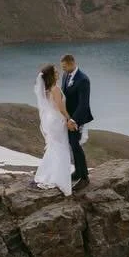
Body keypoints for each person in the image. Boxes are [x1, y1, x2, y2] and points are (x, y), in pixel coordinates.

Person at [33, 64, 74, 196]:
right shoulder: (55, 89)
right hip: (57, 121)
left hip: (51, 120)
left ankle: (48, 175)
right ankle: (59, 179)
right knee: (61, 148)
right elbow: (60, 108)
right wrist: (69, 119)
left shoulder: (46, 89)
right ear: (51, 75)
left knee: (54, 147)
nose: (58, 72)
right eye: (56, 71)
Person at [60, 53, 93, 192]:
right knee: (72, 145)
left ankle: (84, 177)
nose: (63, 69)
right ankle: (78, 172)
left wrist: (73, 120)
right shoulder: (65, 76)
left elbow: (83, 104)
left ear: (72, 63)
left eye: (65, 66)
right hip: (69, 118)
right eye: (62, 67)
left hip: (78, 119)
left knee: (76, 145)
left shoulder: (83, 79)